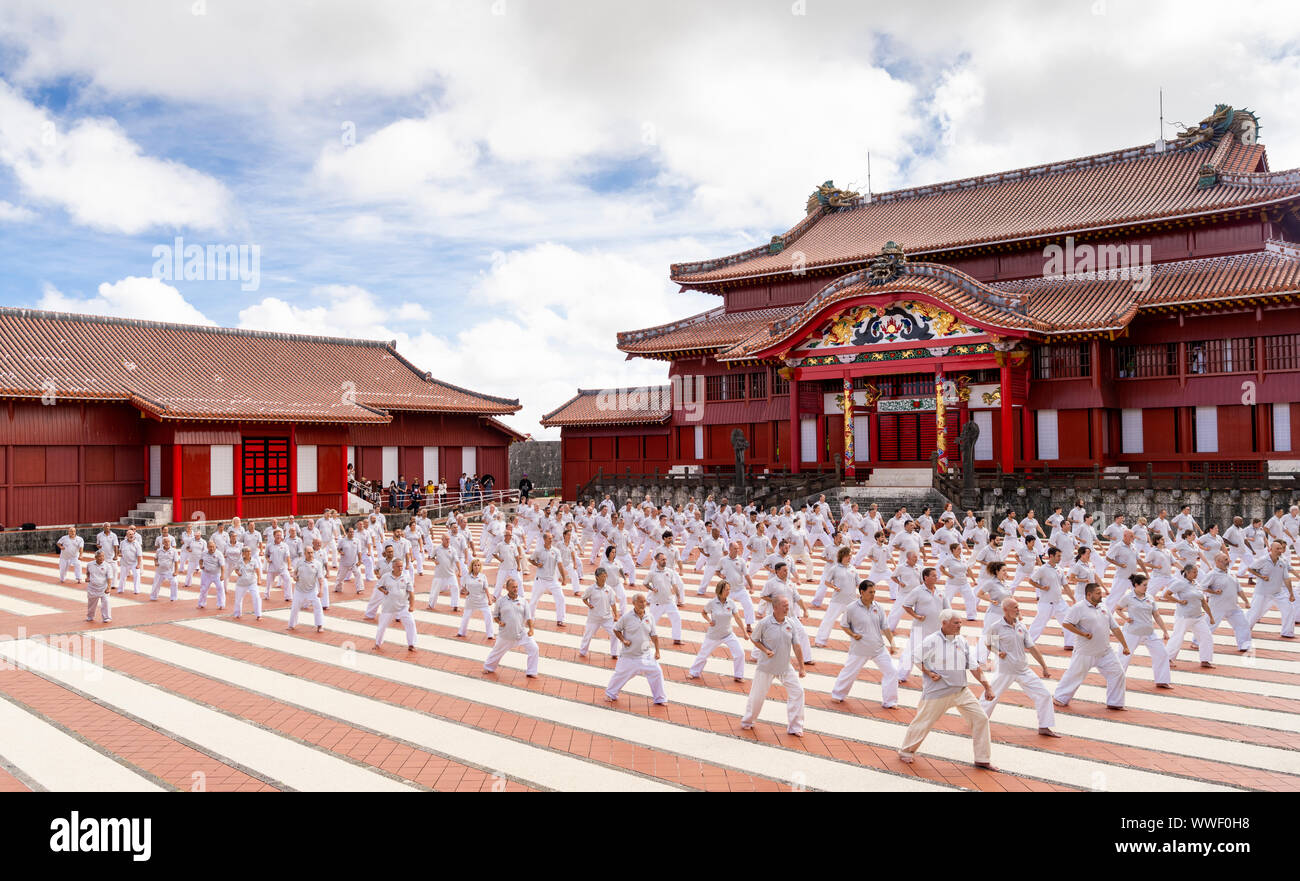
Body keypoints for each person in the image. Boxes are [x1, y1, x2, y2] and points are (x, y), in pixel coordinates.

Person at [898, 609, 997, 770]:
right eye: (956, 623)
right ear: (944, 623)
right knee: (923, 722)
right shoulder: (932, 640)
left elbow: (973, 666)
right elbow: (916, 658)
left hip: (961, 690)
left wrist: (987, 687)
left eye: (960, 623)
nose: (960, 626)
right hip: (938, 691)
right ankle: (906, 751)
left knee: (981, 719)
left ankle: (982, 758)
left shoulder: (962, 641)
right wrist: (929, 673)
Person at [980, 597, 1060, 736]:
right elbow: (989, 644)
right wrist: (998, 652)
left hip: (1023, 669)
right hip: (1006, 670)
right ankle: (977, 720)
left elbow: (1032, 647)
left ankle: (1044, 726)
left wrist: (1044, 667)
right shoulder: (996, 627)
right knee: (990, 696)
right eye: (1015, 607)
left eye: (1018, 607)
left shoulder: (1021, 626)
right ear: (1005, 610)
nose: (1018, 610)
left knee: (1044, 695)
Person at [1054, 582, 1129, 709]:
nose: (1101, 595)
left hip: (1105, 651)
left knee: (1118, 673)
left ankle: (1115, 703)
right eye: (1098, 593)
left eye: (1101, 593)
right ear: (1089, 595)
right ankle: (1060, 698)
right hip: (1085, 652)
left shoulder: (1103, 607)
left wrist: (1125, 646)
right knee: (1074, 675)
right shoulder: (1078, 608)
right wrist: (1082, 633)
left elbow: (1115, 628)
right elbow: (1066, 624)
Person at [741, 595, 806, 736]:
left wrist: (802, 667)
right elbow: (754, 639)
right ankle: (748, 721)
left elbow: (797, 646)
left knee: (798, 692)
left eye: (788, 605)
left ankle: (795, 727)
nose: (787, 608)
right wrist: (765, 650)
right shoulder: (765, 623)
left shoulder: (791, 623)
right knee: (757, 696)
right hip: (766, 667)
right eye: (784, 605)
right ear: (775, 607)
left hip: (785, 667)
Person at [830, 580, 899, 708]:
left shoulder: (878, 607)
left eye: (874, 592)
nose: (873, 595)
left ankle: (890, 702)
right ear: (862, 592)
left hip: (878, 648)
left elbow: (885, 627)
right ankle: (837, 695)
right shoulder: (851, 608)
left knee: (892, 672)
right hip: (860, 649)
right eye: (870, 592)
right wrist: (853, 634)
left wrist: (892, 644)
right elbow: (844, 625)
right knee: (849, 672)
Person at [605, 593, 668, 704]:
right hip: (629, 655)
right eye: (640, 602)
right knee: (619, 675)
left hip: (645, 655)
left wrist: (657, 651)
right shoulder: (626, 617)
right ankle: (611, 694)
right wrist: (623, 640)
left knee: (657, 672)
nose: (643, 604)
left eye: (644, 602)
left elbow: (654, 635)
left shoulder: (650, 617)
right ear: (633, 603)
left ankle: (660, 699)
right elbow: (616, 629)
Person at [1114, 573, 1170, 688]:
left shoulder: (1149, 597)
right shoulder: (1128, 597)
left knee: (1162, 654)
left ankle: (1162, 681)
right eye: (1144, 585)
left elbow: (1156, 615)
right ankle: (1116, 680)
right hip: (1132, 632)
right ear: (1136, 585)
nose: (1146, 587)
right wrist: (1125, 618)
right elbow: (1118, 609)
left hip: (1149, 632)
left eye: (1147, 585)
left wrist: (1165, 631)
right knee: (1123, 657)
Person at [687, 580, 747, 682]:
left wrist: (745, 632)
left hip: (728, 634)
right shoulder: (712, 603)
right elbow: (704, 613)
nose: (729, 592)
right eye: (726, 590)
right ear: (720, 590)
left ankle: (739, 676)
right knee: (703, 655)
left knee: (740, 653)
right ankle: (694, 672)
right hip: (713, 635)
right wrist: (709, 620)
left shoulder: (731, 603)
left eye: (729, 589)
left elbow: (737, 618)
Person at [1161, 562, 1216, 669]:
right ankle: (1167, 658)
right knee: (1178, 637)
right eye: (1194, 572)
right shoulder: (1180, 583)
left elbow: (1203, 602)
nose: (1196, 574)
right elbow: (1166, 595)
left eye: (1197, 572)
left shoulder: (1196, 584)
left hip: (1198, 617)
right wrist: (1179, 601)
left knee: (1206, 637)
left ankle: (1205, 660)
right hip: (1184, 617)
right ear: (1187, 572)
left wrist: (1211, 616)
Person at [483, 577, 539, 677]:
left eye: (517, 587)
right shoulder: (501, 601)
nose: (515, 589)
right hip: (506, 634)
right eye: (513, 587)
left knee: (534, 648)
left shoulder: (523, 601)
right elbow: (495, 616)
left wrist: (531, 629)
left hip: (521, 633)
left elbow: (529, 617)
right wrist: (499, 622)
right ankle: (488, 667)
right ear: (507, 588)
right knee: (496, 652)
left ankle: (531, 672)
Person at [1246, 540, 1296, 639]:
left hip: (1278, 593)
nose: (1280, 550)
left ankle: (1287, 632)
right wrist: (1260, 576)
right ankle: (1245, 628)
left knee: (1289, 609)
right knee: (1255, 613)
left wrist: (1291, 594)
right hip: (1262, 592)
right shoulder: (1263, 560)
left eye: (1281, 548)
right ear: (1270, 549)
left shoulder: (1283, 561)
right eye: (1277, 548)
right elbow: (1250, 568)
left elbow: (1286, 578)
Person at [374, 557, 418, 652]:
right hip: (388, 606)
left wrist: (412, 606)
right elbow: (379, 586)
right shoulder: (386, 576)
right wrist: (384, 591)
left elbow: (411, 593)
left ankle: (412, 644)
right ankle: (377, 643)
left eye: (401, 566)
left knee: (411, 623)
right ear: (393, 567)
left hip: (403, 606)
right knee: (382, 626)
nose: (400, 568)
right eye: (398, 566)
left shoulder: (406, 577)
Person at [579, 567, 620, 659]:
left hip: (607, 618)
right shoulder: (591, 589)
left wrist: (616, 615)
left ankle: (614, 653)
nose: (604, 578)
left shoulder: (609, 589)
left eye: (605, 576)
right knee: (588, 635)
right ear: (597, 577)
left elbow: (613, 603)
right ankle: (582, 651)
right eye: (602, 576)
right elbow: (584, 598)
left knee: (615, 633)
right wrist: (589, 605)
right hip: (594, 618)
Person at [287, 547, 325, 633]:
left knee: (318, 606)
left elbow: (320, 579)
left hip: (312, 590)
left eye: (312, 552)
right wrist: (294, 577)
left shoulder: (317, 564)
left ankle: (320, 625)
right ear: (305, 553)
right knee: (295, 608)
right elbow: (295, 572)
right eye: (309, 553)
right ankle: (291, 625)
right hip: (299, 590)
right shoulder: (299, 562)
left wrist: (321, 590)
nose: (311, 554)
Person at [456, 558, 495, 639]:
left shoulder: (483, 576)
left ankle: (490, 634)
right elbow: (463, 588)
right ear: (472, 566)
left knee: (488, 616)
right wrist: (465, 592)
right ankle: (461, 632)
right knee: (465, 617)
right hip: (470, 601)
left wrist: (490, 599)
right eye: (475, 565)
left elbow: (486, 588)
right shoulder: (467, 577)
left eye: (478, 565)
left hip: (482, 601)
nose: (477, 567)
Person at [231, 546, 263, 620]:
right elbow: (236, 569)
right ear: (243, 553)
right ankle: (237, 614)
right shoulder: (240, 561)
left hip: (252, 582)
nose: (249, 553)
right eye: (247, 551)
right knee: (238, 599)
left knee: (256, 597)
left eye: (250, 551)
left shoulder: (254, 561)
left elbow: (257, 571)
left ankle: (258, 615)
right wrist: (238, 573)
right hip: (241, 583)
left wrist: (259, 580)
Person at [84, 550, 112, 623]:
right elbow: (88, 572)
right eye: (100, 556)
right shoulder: (90, 564)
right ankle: (90, 616)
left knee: (106, 602)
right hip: (92, 588)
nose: (102, 558)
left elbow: (109, 578)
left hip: (103, 588)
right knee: (91, 604)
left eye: (103, 556)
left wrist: (108, 588)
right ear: (95, 557)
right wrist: (87, 577)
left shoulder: (107, 566)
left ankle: (107, 617)